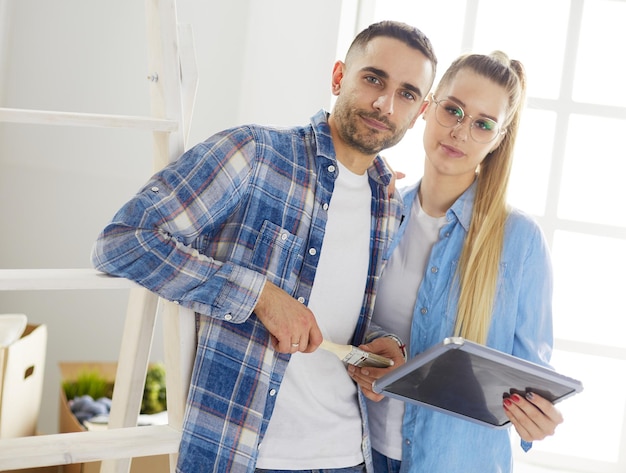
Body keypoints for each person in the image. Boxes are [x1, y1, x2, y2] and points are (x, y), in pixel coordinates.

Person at [91, 21, 437, 473]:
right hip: (244, 455)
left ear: (420, 110)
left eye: (407, 94)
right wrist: (257, 296)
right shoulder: (254, 154)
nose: (384, 104)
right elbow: (123, 240)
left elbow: (337, 312)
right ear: (338, 77)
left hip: (350, 456)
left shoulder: (388, 202)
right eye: (373, 78)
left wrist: (379, 348)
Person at [348, 51, 564, 472]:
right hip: (360, 455)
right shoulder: (381, 214)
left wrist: (536, 419)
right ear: (427, 108)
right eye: (453, 110)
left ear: (498, 139)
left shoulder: (519, 241)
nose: (461, 132)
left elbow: (530, 379)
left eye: (483, 124)